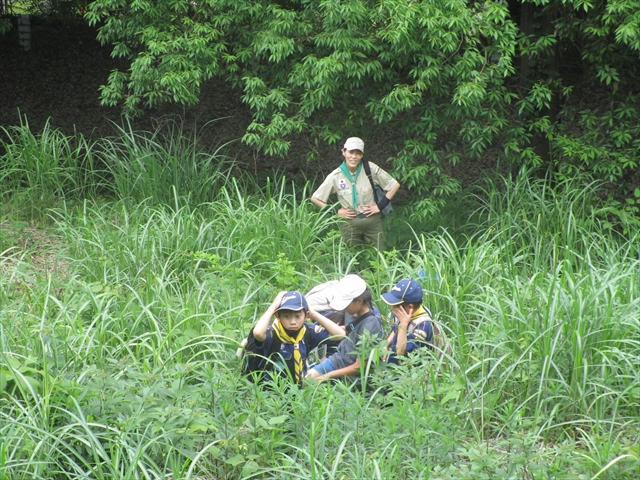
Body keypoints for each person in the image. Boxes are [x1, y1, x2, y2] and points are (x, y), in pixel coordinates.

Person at [310, 137, 400, 251]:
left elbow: (394, 185)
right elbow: (315, 198)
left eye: (358, 153)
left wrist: (380, 206)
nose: (354, 156)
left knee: (378, 255)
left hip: (372, 221)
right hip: (349, 223)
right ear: (344, 152)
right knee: (350, 258)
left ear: (362, 155)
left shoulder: (369, 168)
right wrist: (336, 212)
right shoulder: (336, 175)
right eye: (351, 152)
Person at [248, 290, 346, 384]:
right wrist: (274, 305)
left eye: (298, 316)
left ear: (306, 316)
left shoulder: (308, 332)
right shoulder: (272, 333)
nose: (293, 322)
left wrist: (314, 314)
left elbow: (340, 335)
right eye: (287, 316)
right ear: (278, 316)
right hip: (272, 392)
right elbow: (258, 333)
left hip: (298, 391)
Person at [307, 274, 383, 383]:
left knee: (315, 384)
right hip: (339, 358)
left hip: (353, 374)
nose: (344, 308)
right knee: (306, 380)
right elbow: (349, 331)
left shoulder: (370, 326)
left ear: (360, 301)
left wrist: (327, 376)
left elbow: (359, 365)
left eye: (346, 304)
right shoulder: (351, 311)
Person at [380, 279, 447, 364]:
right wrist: (386, 344)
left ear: (410, 307)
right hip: (393, 365)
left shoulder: (423, 325)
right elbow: (395, 330)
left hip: (409, 371)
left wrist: (404, 324)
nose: (392, 309)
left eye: (395, 306)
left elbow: (401, 353)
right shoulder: (403, 313)